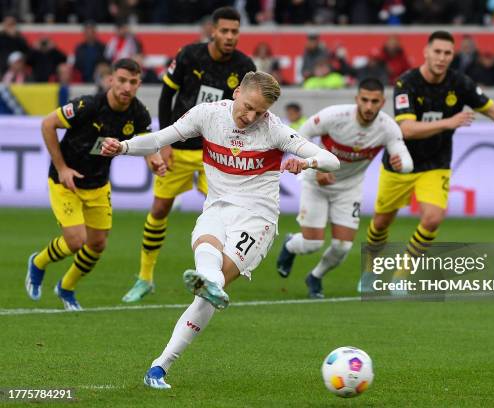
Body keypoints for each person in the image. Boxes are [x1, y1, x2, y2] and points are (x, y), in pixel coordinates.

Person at [100, 71, 340, 389]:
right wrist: (124, 147)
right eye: (249, 106)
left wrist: (306, 164)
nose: (251, 116)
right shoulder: (208, 114)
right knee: (205, 252)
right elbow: (160, 139)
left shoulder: (274, 130)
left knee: (206, 296)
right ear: (237, 92)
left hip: (256, 220)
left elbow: (331, 160)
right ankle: (206, 287)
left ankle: (161, 364)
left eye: (260, 111)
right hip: (216, 208)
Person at [362, 31, 494, 291]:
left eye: (447, 53)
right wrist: (450, 123)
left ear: (453, 55)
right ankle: (370, 269)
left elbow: (493, 110)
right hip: (400, 161)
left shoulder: (460, 83)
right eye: (437, 52)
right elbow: (406, 128)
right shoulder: (406, 83)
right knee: (382, 222)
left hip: (436, 163)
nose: (441, 58)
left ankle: (402, 275)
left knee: (433, 219)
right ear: (426, 53)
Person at [121, 6, 257, 303]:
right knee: (159, 209)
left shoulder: (245, 66)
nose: (230, 36)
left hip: (217, 153)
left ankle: (215, 278)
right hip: (180, 148)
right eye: (224, 31)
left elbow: (251, 111)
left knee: (226, 215)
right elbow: (167, 95)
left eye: (235, 31)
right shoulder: (188, 56)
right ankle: (144, 278)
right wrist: (163, 143)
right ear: (212, 30)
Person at [25, 58, 166, 311]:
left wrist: (155, 162)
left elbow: (147, 145)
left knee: (98, 243)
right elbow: (48, 124)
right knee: (77, 240)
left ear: (138, 84)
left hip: (98, 184)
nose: (126, 87)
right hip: (65, 181)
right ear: (111, 80)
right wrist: (62, 168)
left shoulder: (138, 113)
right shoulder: (88, 105)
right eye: (121, 80)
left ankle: (66, 287)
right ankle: (38, 262)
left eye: (132, 82)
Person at [276, 78, 413, 298]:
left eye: (375, 102)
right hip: (316, 181)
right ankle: (291, 244)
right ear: (357, 99)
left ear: (382, 102)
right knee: (312, 244)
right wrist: (317, 167)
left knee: (342, 246)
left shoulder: (387, 127)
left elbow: (405, 159)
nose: (369, 107)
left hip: (349, 188)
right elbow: (302, 133)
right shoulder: (334, 115)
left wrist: (403, 165)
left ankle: (315, 277)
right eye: (365, 100)